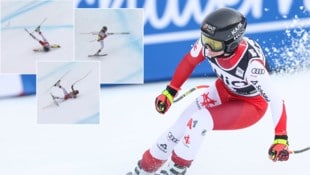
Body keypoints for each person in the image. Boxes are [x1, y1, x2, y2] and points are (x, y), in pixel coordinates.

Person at [128, 7, 290, 175]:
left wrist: (280, 138)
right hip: (224, 90)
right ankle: (143, 169)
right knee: (179, 126)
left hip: (250, 105)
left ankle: (176, 169)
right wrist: (170, 91)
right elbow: (189, 62)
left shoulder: (252, 66)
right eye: (205, 39)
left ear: (231, 44)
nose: (207, 47)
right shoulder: (210, 44)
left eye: (214, 44)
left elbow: (275, 100)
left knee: (199, 121)